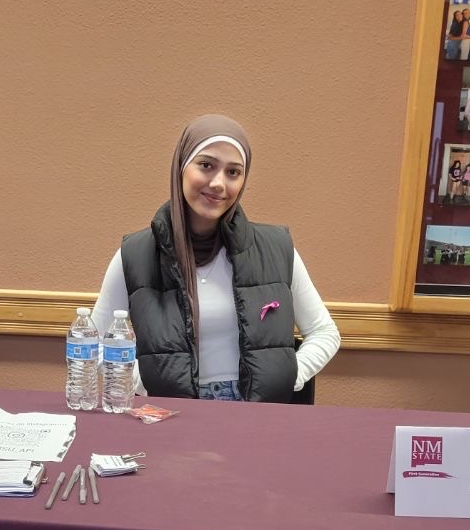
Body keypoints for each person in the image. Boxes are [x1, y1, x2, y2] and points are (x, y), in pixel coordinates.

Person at [92, 115, 340, 402]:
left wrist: (289, 374)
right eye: (206, 165)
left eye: (233, 172)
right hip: (172, 415)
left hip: (256, 413)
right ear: (181, 168)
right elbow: (94, 340)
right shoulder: (136, 254)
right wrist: (141, 382)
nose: (219, 183)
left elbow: (325, 332)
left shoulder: (275, 249)